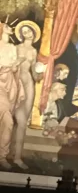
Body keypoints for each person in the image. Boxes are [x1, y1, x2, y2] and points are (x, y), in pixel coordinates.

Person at [9, 19, 42, 169]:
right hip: (16, 82)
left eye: (29, 31)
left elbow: (34, 72)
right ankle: (6, 154)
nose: (27, 34)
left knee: (22, 123)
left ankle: (17, 157)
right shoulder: (16, 48)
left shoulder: (34, 51)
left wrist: (39, 75)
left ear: (34, 33)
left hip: (29, 83)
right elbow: (11, 66)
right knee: (10, 120)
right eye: (24, 32)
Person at [0, 22, 21, 170]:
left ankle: (2, 156)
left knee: (8, 122)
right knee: (7, 120)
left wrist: (16, 65)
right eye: (6, 26)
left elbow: (14, 67)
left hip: (9, 83)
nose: (10, 28)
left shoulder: (12, 47)